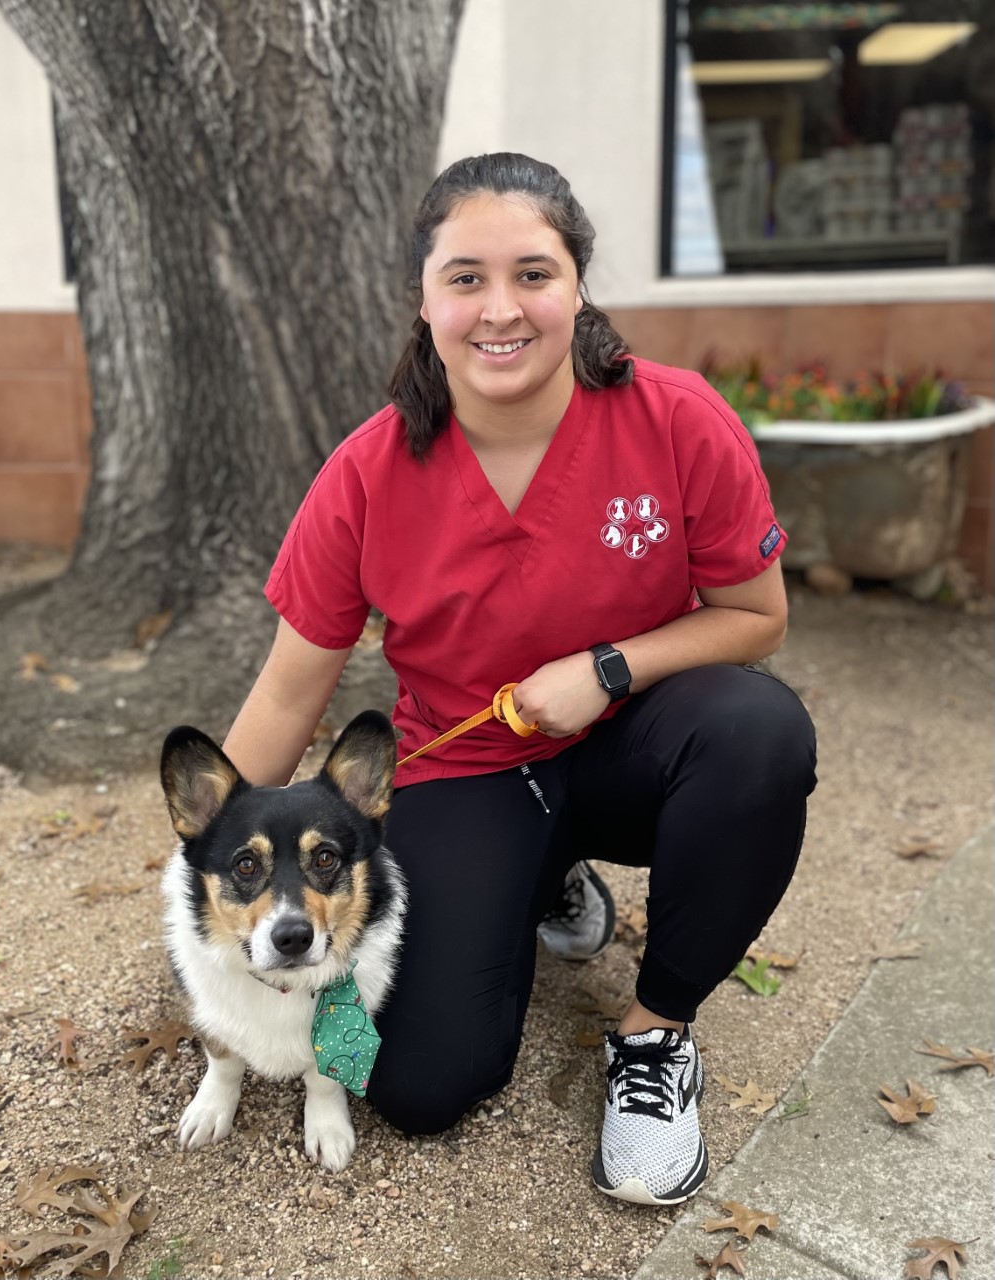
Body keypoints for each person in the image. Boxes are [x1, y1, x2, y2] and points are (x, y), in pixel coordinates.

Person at [222, 152, 817, 1206]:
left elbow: (758, 617)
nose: (502, 309)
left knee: (758, 735)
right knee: (412, 1082)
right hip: (471, 771)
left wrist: (610, 666)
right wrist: (203, 877)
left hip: (638, 744)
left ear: (577, 283)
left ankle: (654, 1033)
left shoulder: (678, 419)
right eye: (466, 277)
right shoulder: (366, 471)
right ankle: (542, 878)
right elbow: (284, 697)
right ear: (424, 296)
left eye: (533, 273)